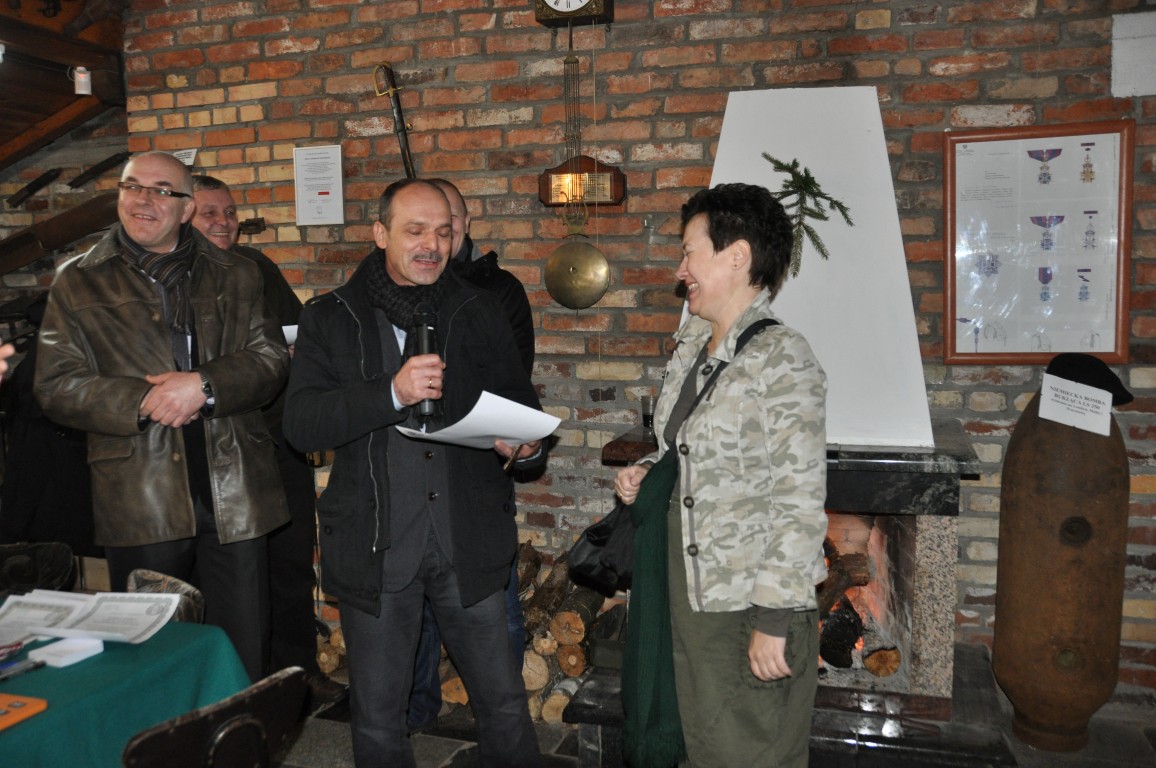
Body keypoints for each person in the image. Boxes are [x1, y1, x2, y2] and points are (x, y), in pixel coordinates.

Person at [282, 178, 543, 768]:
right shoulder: (330, 316)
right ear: (380, 234)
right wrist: (391, 394)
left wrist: (525, 447)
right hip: (375, 545)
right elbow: (302, 425)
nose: (432, 245)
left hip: (468, 540)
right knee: (378, 720)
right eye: (416, 231)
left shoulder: (479, 309)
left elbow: (519, 408)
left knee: (504, 706)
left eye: (443, 232)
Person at [33, 151, 290, 681]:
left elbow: (270, 360)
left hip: (235, 489)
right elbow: (55, 386)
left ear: (187, 207)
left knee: (242, 650)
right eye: (132, 187)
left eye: (160, 190)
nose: (142, 199)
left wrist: (204, 385)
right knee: (150, 657)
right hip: (139, 494)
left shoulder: (239, 274)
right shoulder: (78, 280)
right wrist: (144, 400)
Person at [613, 183, 828, 768]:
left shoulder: (783, 359)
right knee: (701, 745)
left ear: (737, 256)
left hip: (744, 603)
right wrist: (649, 471)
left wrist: (773, 620)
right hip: (684, 589)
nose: (680, 270)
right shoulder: (692, 346)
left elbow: (799, 499)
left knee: (748, 750)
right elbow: (685, 449)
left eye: (690, 252)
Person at [191, 175, 347, 705]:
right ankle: (238, 689)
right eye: (210, 213)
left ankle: (298, 673)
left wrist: (300, 354)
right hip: (224, 448)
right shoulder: (175, 279)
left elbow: (300, 331)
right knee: (237, 577)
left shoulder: (256, 266)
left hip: (280, 441)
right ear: (184, 216)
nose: (223, 222)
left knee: (290, 563)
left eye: (230, 212)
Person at [403, 178, 536, 733]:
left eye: (449, 223)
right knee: (418, 615)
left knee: (494, 609)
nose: (440, 236)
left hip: (478, 471)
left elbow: (510, 381)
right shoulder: (396, 291)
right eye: (426, 227)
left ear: (466, 224)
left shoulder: (497, 291)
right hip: (414, 477)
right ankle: (417, 711)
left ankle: (501, 722)